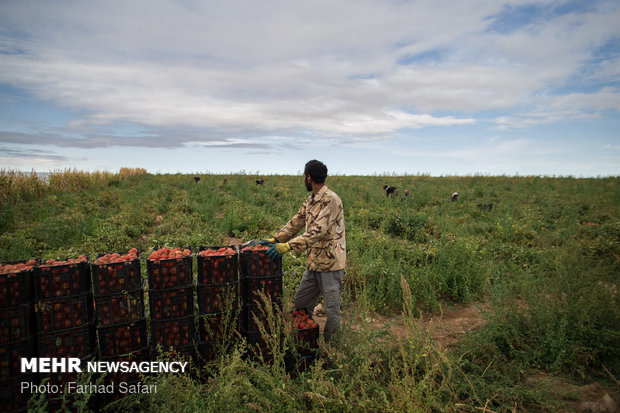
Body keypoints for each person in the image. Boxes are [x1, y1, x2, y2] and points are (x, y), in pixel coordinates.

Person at [262, 160, 346, 341]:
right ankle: (306, 340)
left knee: (332, 310)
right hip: (313, 263)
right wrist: (277, 239)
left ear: (308, 177)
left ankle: (331, 347)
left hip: (330, 265)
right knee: (301, 303)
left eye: (304, 176)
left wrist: (288, 246)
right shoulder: (311, 200)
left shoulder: (332, 200)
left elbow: (318, 231)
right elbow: (297, 221)